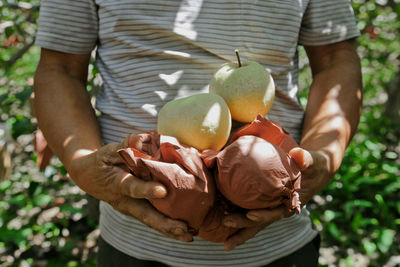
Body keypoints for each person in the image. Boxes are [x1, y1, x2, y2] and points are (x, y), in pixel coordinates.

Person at [33, 0, 363, 266]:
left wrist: (323, 155)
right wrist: (81, 162)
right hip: (132, 248)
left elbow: (336, 57)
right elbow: (58, 68)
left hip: (279, 245)